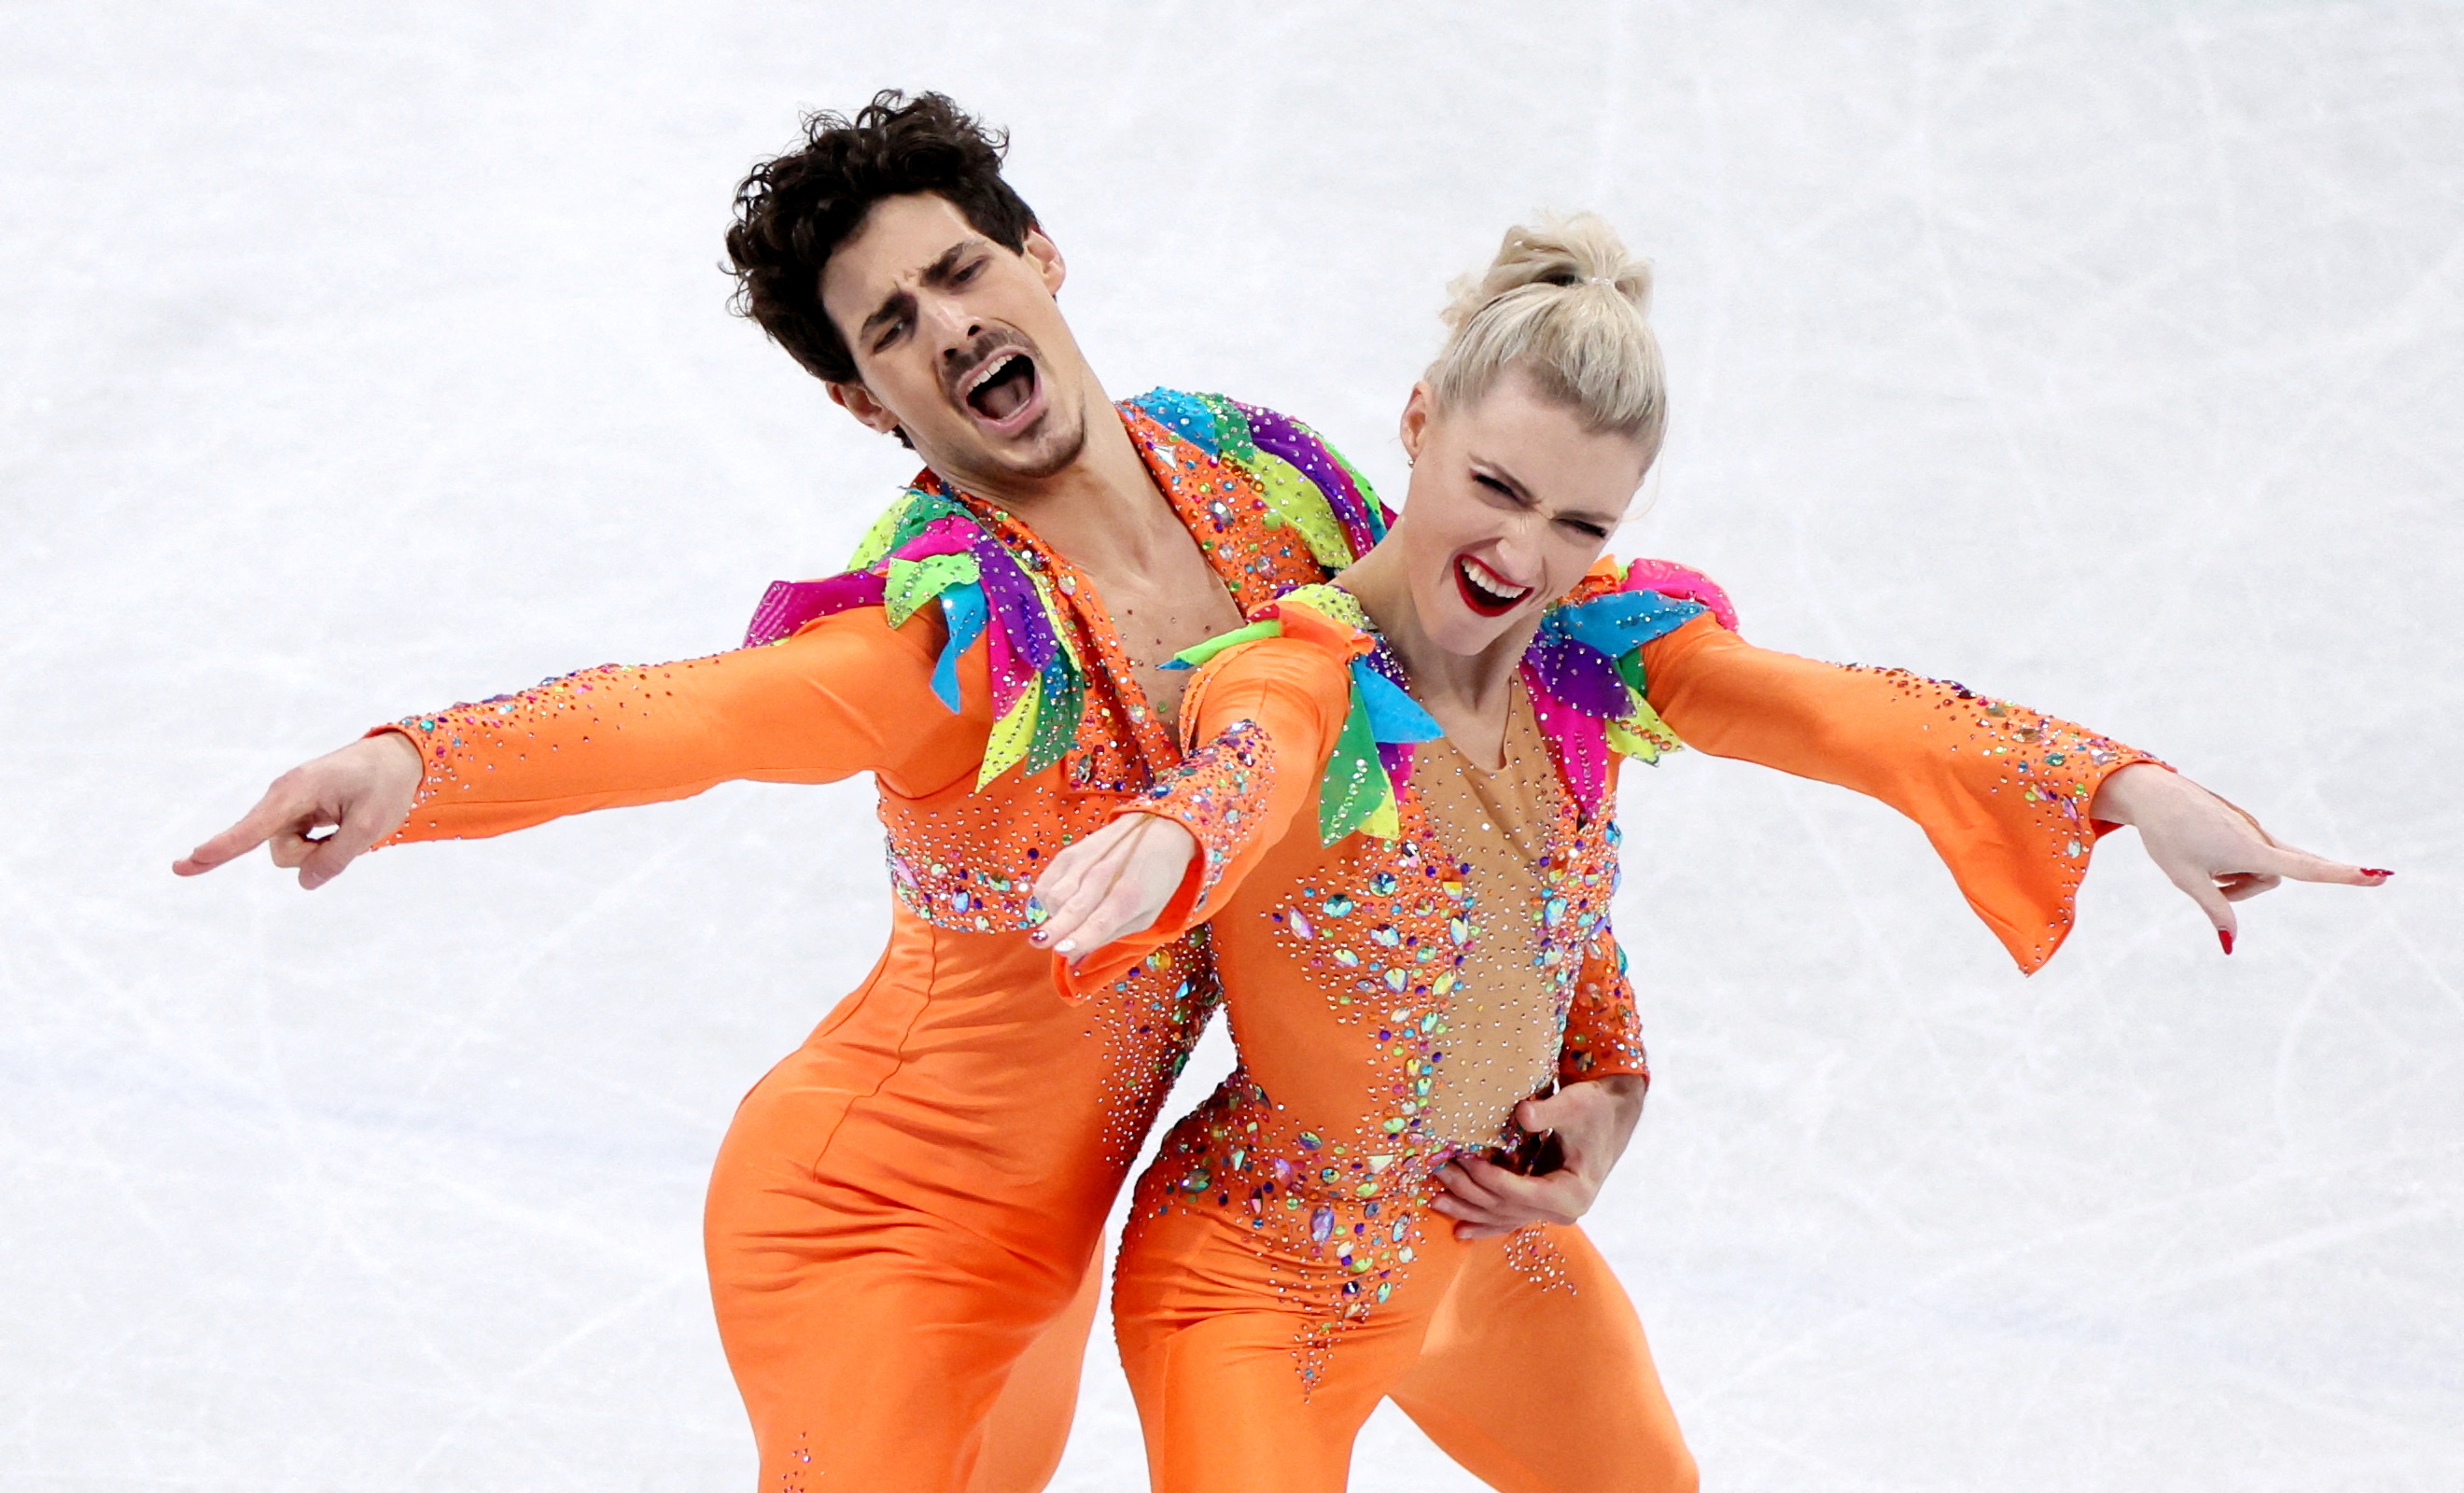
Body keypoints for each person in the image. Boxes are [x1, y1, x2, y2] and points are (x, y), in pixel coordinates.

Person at [168, 92, 1656, 1493]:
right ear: (856, 395)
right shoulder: (950, 635)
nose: (949, 328)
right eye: (893, 325)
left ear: (1040, 258)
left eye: (958, 272)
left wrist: (1602, 1062)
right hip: (872, 1226)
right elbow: (698, 719)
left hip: (1063, 1244)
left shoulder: (1269, 486)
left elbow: (1478, 771)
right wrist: (415, 763)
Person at [1024, 216, 2390, 1493]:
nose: (1520, 555)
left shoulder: (1587, 658)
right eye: (1496, 487)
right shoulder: (1296, 669)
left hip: (1490, 1245)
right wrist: (1173, 834)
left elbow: (1834, 717)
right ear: (1419, 422)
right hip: (1257, 1276)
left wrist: (2127, 785)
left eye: (1580, 524)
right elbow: (1247, 759)